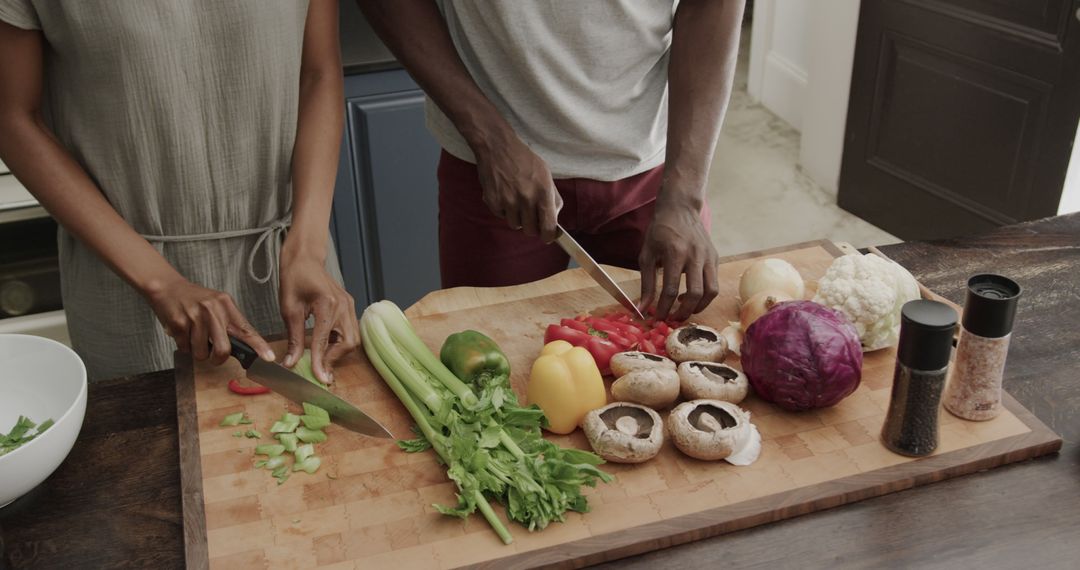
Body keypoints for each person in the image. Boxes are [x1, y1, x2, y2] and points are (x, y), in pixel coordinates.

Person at [0, 0, 357, 382]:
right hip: (129, 278)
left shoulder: (304, 253)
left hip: (294, 262)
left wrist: (307, 249)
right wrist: (160, 282)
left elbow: (318, 72)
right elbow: (13, 118)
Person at [357, 0, 745, 320]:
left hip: (656, 177)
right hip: (494, 175)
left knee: (681, 348)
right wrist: (490, 139)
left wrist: (684, 198)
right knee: (488, 372)